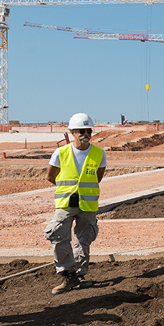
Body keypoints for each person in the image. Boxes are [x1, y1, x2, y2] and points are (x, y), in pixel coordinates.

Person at [45, 113, 106, 295]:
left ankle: (78, 276)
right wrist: (69, 189)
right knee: (59, 237)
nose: (85, 133)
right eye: (81, 130)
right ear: (72, 132)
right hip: (65, 203)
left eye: (88, 130)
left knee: (84, 239)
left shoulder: (98, 154)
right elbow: (50, 176)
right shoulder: (61, 153)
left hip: (88, 204)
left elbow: (97, 178)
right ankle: (68, 275)